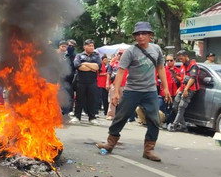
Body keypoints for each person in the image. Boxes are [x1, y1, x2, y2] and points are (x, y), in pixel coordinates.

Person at [97, 22, 171, 162]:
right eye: (137, 34)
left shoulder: (156, 49)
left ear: (150, 35)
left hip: (150, 91)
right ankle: (110, 143)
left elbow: (160, 68)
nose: (140, 36)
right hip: (132, 90)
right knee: (121, 116)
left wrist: (165, 88)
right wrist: (117, 92)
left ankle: (149, 150)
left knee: (154, 120)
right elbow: (120, 71)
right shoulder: (130, 51)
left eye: (144, 34)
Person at [169, 50, 200, 132]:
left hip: (189, 90)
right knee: (175, 106)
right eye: (179, 58)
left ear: (186, 56)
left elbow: (192, 78)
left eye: (181, 57)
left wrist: (186, 89)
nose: (180, 59)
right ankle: (183, 125)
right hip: (182, 88)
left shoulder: (193, 65)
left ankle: (174, 125)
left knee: (181, 107)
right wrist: (174, 74)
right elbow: (182, 79)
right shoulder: (183, 66)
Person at [71, 39, 101, 124]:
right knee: (79, 99)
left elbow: (97, 67)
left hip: (92, 82)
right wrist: (91, 67)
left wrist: (85, 63)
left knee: (92, 100)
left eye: (92, 46)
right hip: (80, 81)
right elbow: (78, 66)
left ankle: (92, 118)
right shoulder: (79, 55)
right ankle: (77, 116)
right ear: (85, 46)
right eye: (89, 45)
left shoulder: (96, 56)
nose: (92, 47)